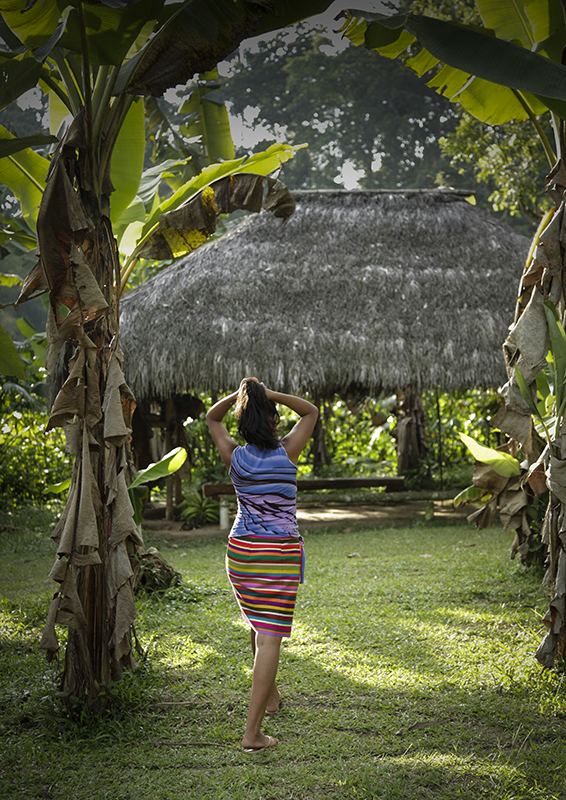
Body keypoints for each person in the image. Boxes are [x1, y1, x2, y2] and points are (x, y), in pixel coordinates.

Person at [206, 378, 318, 754]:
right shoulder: (288, 452)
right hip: (278, 554)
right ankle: (252, 735)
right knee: (269, 635)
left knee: (258, 625)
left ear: (243, 422)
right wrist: (266, 394)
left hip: (241, 553)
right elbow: (310, 411)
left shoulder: (235, 456)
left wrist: (245, 395)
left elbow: (212, 417)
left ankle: (271, 700)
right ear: (272, 419)